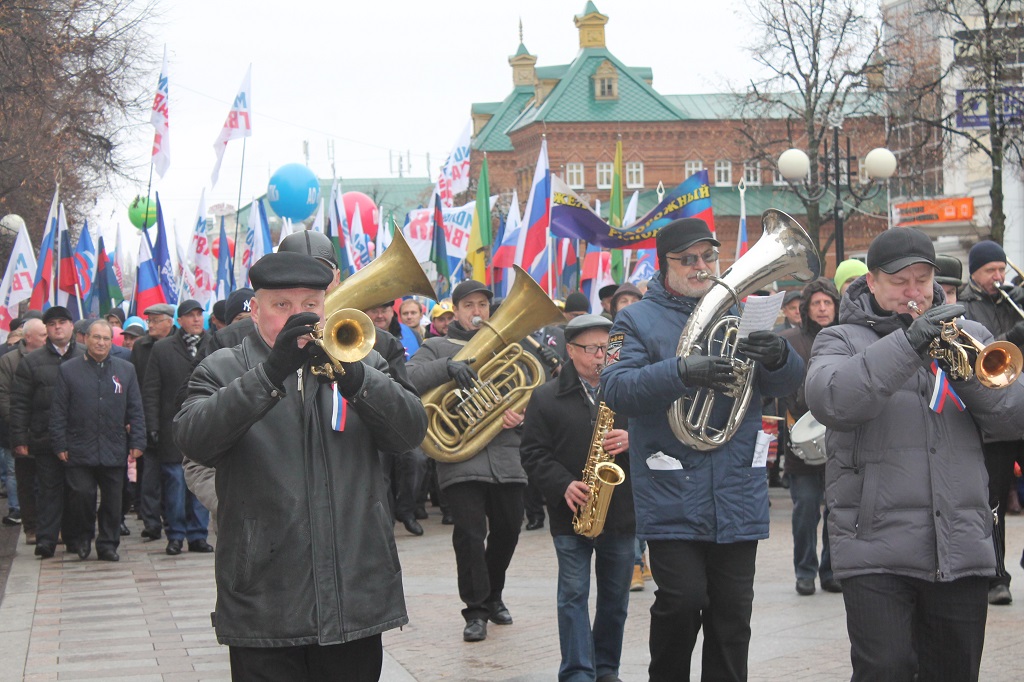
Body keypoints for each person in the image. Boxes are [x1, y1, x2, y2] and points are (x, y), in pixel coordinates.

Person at [174, 252, 426, 680]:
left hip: (354, 596)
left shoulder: (363, 359)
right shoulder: (220, 368)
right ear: (255, 311)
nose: (298, 316)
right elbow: (195, 440)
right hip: (264, 601)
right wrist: (270, 374)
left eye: (309, 304)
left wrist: (358, 379)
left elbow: (409, 435)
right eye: (281, 306)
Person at [805, 226, 1024, 681]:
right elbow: (833, 401)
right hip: (874, 546)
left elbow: (1012, 417)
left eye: (922, 280)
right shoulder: (839, 339)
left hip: (961, 544)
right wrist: (908, 345)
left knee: (955, 671)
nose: (913, 291)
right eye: (899, 280)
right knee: (884, 670)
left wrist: (961, 370)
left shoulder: (971, 333)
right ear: (872, 282)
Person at [600, 217, 803, 681]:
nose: (700, 266)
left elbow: (788, 382)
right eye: (687, 259)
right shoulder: (633, 320)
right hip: (672, 488)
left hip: (736, 488)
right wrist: (681, 371)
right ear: (662, 264)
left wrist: (779, 356)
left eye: (708, 257)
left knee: (733, 615)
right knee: (682, 600)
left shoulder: (738, 312)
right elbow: (614, 388)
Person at [407, 279, 528, 643]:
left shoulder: (508, 343)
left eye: (483, 305)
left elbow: (528, 389)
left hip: (505, 454)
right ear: (455, 310)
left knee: (508, 530)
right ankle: (475, 610)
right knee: (471, 536)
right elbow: (409, 379)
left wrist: (519, 412)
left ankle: (493, 596)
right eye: (470, 305)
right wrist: (448, 366)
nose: (478, 311)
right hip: (459, 457)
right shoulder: (435, 345)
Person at [521, 314, 634, 682]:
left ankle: (606, 669)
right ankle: (577, 672)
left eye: (607, 347)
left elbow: (658, 440)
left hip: (620, 513)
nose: (601, 355)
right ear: (570, 351)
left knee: (615, 600)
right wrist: (563, 484)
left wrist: (634, 440)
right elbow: (533, 454)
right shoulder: (545, 396)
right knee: (572, 596)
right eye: (592, 349)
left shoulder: (629, 391)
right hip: (571, 512)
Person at [957, 239, 1024, 606]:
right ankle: (997, 576)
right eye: (990, 272)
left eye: (1001, 270)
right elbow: (977, 356)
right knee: (993, 503)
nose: (998, 277)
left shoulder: (1016, 300)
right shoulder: (965, 308)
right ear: (975, 273)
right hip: (993, 421)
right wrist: (1012, 338)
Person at [50, 320, 145, 562]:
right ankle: (83, 538)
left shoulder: (125, 370)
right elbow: (59, 410)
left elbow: (135, 408)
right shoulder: (69, 370)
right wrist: (59, 443)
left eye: (105, 338)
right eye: (96, 337)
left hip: (113, 446)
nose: (101, 342)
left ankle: (108, 544)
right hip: (79, 447)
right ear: (86, 339)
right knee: (82, 495)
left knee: (114, 501)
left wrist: (137, 441)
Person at [778, 277, 842, 596]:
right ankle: (805, 570)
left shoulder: (846, 338)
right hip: (800, 440)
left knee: (836, 509)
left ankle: (831, 571)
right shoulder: (790, 340)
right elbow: (781, 383)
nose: (821, 308)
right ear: (806, 309)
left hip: (839, 439)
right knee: (805, 508)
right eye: (816, 303)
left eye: (827, 302)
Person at [8, 307, 86, 558]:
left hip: (79, 438)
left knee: (78, 491)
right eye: (51, 324)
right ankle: (46, 539)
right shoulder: (32, 362)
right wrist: (19, 439)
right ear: (45, 330)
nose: (57, 328)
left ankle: (75, 538)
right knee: (48, 490)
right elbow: (19, 403)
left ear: (72, 326)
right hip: (45, 438)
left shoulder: (86, 357)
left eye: (62, 322)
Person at [143, 299, 213, 556]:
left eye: (199, 315)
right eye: (190, 315)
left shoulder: (213, 343)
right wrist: (151, 426)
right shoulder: (162, 349)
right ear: (179, 320)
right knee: (175, 484)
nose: (196, 320)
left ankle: (198, 535)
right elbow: (151, 390)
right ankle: (175, 535)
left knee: (202, 483)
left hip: (205, 426)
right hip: (171, 428)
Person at [364, 298, 428, 537]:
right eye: (374, 309)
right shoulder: (355, 330)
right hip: (372, 417)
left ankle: (407, 510)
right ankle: (387, 521)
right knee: (380, 472)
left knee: (417, 462)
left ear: (393, 311)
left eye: (385, 309)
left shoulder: (411, 335)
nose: (380, 314)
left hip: (400, 412)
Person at [131, 303, 175, 541]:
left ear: (169, 322)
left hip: (172, 421)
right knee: (148, 477)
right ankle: (150, 522)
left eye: (155, 321)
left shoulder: (178, 345)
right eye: (149, 321)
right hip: (146, 418)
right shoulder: (140, 347)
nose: (150, 325)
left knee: (174, 478)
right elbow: (136, 383)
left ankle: (171, 519)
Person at [0, 318, 48, 533]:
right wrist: (19, 425)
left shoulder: (52, 358)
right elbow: (5, 397)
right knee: (24, 480)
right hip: (21, 431)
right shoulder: (9, 361)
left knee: (49, 482)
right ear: (28, 337)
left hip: (47, 431)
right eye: (43, 335)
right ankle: (30, 527)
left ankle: (50, 525)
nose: (47, 338)